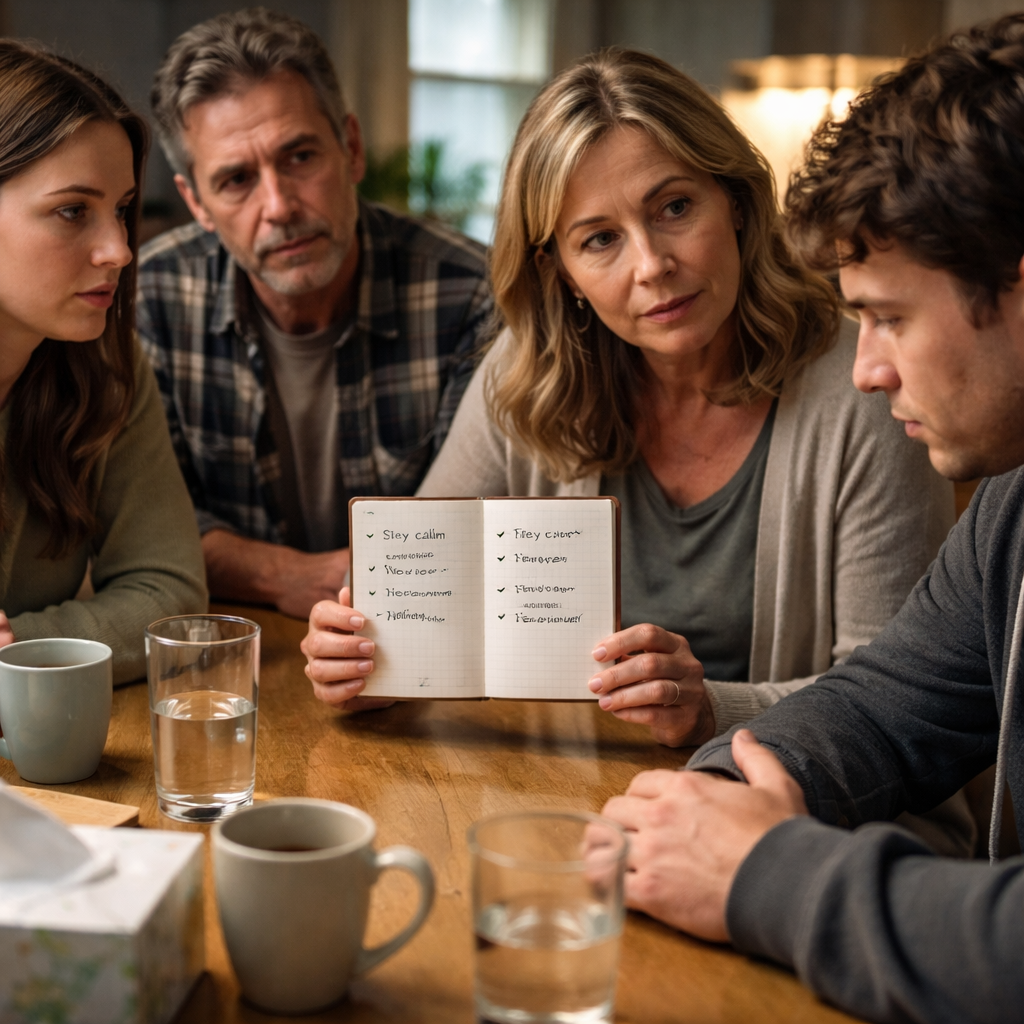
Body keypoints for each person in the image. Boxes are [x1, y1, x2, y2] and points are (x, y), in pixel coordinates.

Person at [302, 49, 967, 844]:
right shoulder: (524, 379)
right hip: (564, 810)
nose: (653, 265)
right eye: (599, 240)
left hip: (808, 832)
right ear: (560, 274)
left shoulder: (865, 391)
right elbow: (422, 604)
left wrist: (709, 706)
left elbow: (900, 708)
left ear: (737, 202)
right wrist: (371, 658)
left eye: (675, 206)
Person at [596, 16, 1024, 1024]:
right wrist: (705, 804)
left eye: (887, 315)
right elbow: (882, 705)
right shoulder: (1009, 501)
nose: (866, 368)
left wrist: (765, 871)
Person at [139, 8, 493, 621]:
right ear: (196, 201)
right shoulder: (151, 298)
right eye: (236, 180)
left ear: (351, 149)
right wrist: (285, 577)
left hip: (427, 644)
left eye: (299, 157)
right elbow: (145, 530)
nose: (278, 206)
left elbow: (492, 519)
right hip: (232, 651)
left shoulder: (472, 294)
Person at [0, 42, 207, 684]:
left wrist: (18, 653)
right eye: (72, 211)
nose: (119, 249)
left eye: (121, 210)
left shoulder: (106, 367)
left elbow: (170, 599)